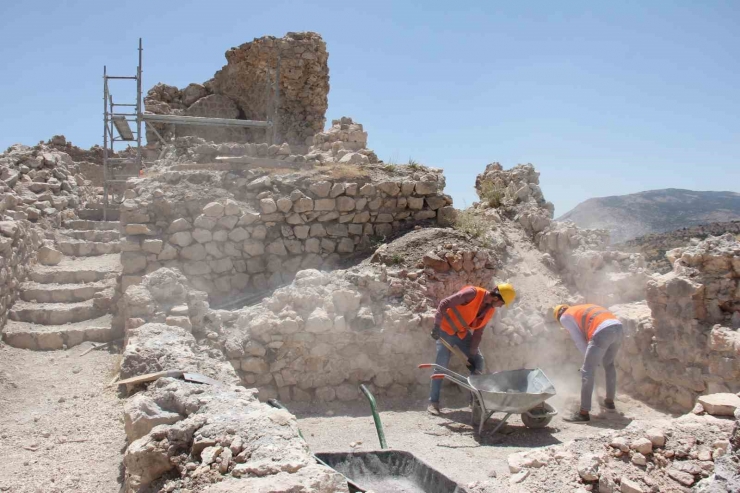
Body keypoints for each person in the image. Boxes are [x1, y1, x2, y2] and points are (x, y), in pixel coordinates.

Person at [427, 283, 516, 415]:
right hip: (444, 331)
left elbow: (478, 333)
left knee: (478, 361)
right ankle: (433, 403)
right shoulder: (472, 293)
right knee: (441, 366)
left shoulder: (490, 310)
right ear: (497, 298)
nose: (501, 306)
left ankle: (474, 402)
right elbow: (445, 303)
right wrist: (436, 326)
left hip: (461, 334)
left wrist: (472, 354)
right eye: (502, 303)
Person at [553, 303, 624, 423]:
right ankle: (609, 402)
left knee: (587, 371)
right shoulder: (580, 309)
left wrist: (589, 360)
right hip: (618, 328)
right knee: (609, 364)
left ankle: (583, 413)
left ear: (559, 316)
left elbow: (579, 341)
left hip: (602, 332)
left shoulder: (564, 317)